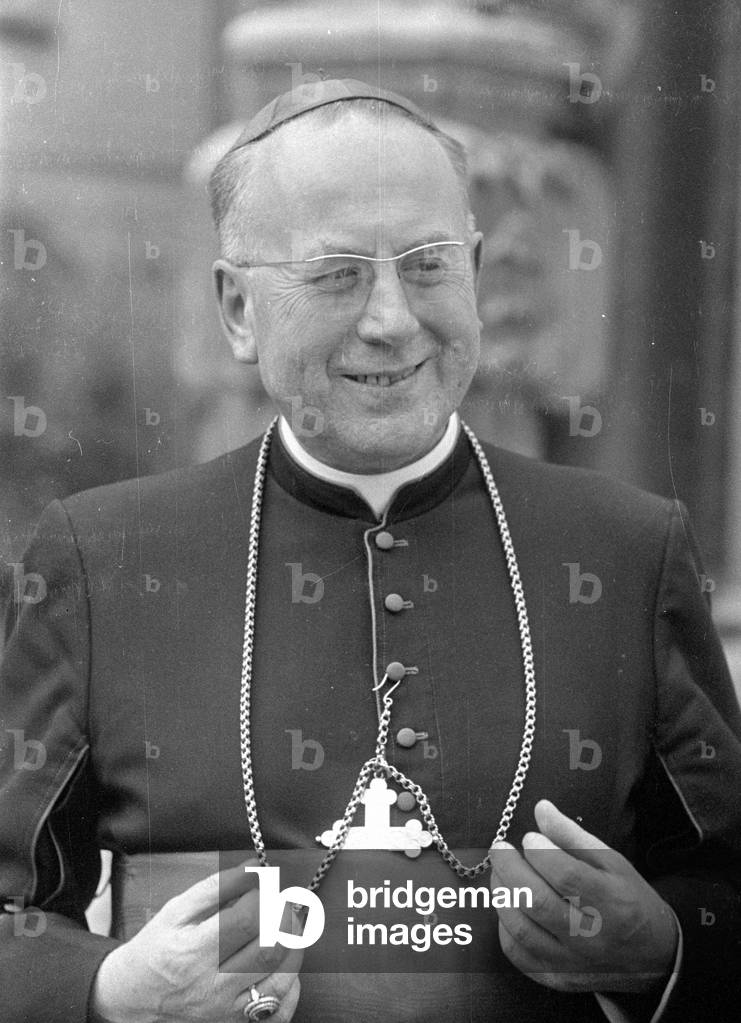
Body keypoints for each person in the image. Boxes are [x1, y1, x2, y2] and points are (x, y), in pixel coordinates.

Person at [1, 79, 740, 1023]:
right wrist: (109, 995)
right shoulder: (103, 558)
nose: (391, 319)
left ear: (476, 272)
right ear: (236, 309)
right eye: (336, 272)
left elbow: (725, 889)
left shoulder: (628, 552)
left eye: (429, 265)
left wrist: (665, 947)